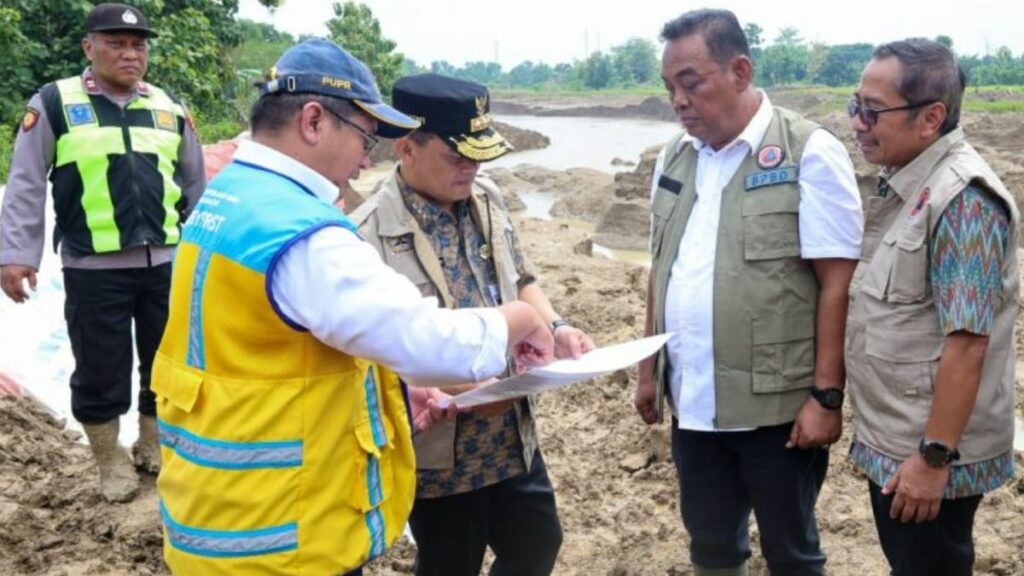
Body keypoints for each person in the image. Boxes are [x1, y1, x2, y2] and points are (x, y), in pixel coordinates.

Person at [150, 40, 555, 576]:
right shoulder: (301, 233)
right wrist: (526, 320)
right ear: (314, 120)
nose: (369, 158)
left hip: (221, 506)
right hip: (280, 531)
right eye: (365, 137)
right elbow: (429, 342)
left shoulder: (232, 198)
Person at [634, 9, 864, 576]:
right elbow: (661, 269)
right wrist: (647, 369)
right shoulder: (675, 156)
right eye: (670, 88)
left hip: (778, 414)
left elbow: (838, 283)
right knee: (711, 547)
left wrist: (826, 397)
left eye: (691, 83)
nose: (679, 101)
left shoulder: (807, 151)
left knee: (792, 552)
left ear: (740, 70)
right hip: (694, 404)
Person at [352, 73, 594, 576]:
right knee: (449, 564)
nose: (471, 168)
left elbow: (521, 277)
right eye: (457, 156)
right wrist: (470, 389)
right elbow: (370, 353)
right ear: (406, 147)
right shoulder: (366, 234)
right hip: (440, 457)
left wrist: (557, 325)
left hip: (512, 434)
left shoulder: (487, 198)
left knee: (537, 546)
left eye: (478, 155)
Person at [0, 3, 205, 502]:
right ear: (88, 48)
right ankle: (109, 456)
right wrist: (15, 253)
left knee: (167, 359)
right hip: (93, 265)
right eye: (115, 43)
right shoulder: (54, 103)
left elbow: (195, 183)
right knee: (100, 365)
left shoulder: (168, 106)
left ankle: (153, 441)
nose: (130, 54)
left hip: (166, 263)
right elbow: (26, 183)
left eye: (138, 45)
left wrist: (203, 253)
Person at [845, 38, 1019, 576]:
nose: (857, 122)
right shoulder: (909, 186)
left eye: (871, 111)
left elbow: (967, 344)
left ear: (931, 118)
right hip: (899, 439)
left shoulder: (963, 199)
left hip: (928, 458)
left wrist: (932, 458)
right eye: (855, 106)